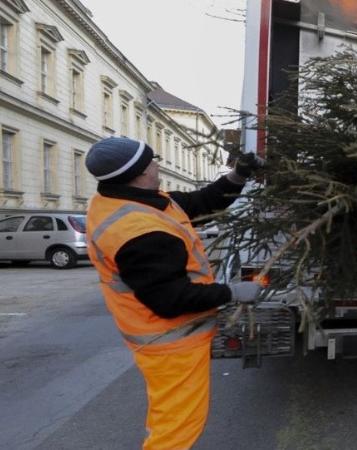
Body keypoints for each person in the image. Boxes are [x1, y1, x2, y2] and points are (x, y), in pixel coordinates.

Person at [84, 137, 263, 449]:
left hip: (167, 338)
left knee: (169, 420)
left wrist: (238, 175)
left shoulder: (130, 200)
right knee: (177, 430)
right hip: (171, 342)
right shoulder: (140, 232)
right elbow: (172, 300)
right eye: (152, 160)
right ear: (139, 173)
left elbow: (201, 202)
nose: (158, 164)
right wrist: (232, 292)